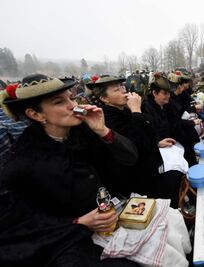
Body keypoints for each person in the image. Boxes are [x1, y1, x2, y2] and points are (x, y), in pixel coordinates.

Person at [0, 74, 140, 266]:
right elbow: (21, 229)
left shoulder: (82, 131)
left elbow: (130, 158)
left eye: (71, 98)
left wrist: (102, 130)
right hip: (67, 243)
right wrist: (78, 223)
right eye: (59, 102)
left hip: (109, 216)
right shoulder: (24, 161)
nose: (71, 105)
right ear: (36, 115)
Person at [88, 75, 164, 198]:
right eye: (116, 90)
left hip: (149, 170)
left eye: (122, 86)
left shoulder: (125, 110)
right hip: (134, 181)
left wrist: (138, 109)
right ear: (104, 98)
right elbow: (135, 146)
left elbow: (151, 130)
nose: (123, 90)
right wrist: (135, 111)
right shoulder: (106, 118)